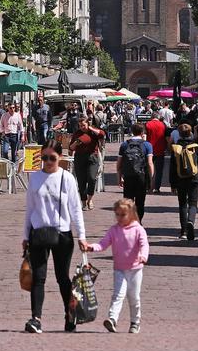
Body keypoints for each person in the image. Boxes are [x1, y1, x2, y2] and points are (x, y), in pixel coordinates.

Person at [22, 140, 86, 334]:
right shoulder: (34, 178)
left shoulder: (67, 178)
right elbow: (30, 208)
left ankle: (70, 314)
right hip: (39, 233)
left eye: (52, 158)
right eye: (44, 158)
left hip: (62, 234)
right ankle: (36, 319)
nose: (48, 162)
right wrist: (25, 234)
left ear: (60, 158)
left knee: (62, 277)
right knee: (38, 277)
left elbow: (75, 209)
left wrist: (81, 235)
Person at [80, 199, 149, 334]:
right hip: (119, 269)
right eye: (117, 214)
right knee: (118, 294)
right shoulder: (114, 230)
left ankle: (135, 322)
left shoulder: (138, 230)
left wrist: (143, 256)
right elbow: (103, 244)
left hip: (135, 269)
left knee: (134, 297)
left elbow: (144, 244)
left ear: (131, 214)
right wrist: (91, 247)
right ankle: (112, 319)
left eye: (123, 215)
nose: (120, 218)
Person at [170, 124, 198, 240]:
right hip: (194, 178)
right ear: (190, 133)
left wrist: (172, 183)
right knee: (193, 203)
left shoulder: (176, 147)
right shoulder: (196, 147)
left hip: (180, 178)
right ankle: (191, 221)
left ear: (179, 134)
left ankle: (183, 231)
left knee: (182, 204)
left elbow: (172, 167)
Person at [117, 124, 154, 221]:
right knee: (140, 202)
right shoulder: (147, 145)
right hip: (141, 176)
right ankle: (138, 221)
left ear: (132, 131)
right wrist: (151, 178)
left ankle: (129, 221)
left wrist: (119, 177)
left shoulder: (125, 145)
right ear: (142, 132)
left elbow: (119, 164)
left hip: (128, 176)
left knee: (128, 202)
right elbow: (150, 163)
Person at [69, 115, 105, 210]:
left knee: (92, 178)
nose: (82, 127)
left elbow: (102, 134)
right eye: (80, 125)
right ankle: (84, 202)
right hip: (80, 158)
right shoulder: (77, 133)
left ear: (87, 124)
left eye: (83, 125)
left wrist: (91, 128)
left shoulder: (93, 131)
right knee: (81, 181)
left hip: (92, 157)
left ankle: (90, 199)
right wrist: (76, 143)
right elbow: (71, 148)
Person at [145, 112, 168, 193]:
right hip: (160, 150)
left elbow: (144, 136)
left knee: (148, 168)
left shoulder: (147, 124)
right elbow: (166, 137)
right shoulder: (163, 125)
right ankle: (157, 187)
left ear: (152, 117)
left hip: (149, 150)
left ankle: (148, 186)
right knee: (159, 170)